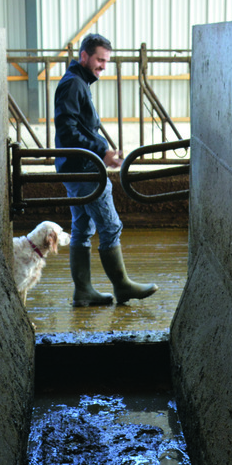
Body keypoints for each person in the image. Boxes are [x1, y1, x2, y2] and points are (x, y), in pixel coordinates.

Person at [54, 33, 157, 306]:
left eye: (107, 61)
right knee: (110, 226)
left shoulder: (77, 82)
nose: (103, 65)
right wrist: (102, 151)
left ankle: (84, 291)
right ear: (84, 56)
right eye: (100, 59)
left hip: (75, 168)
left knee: (81, 227)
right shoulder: (74, 85)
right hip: (85, 169)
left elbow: (74, 128)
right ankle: (122, 286)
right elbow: (67, 130)